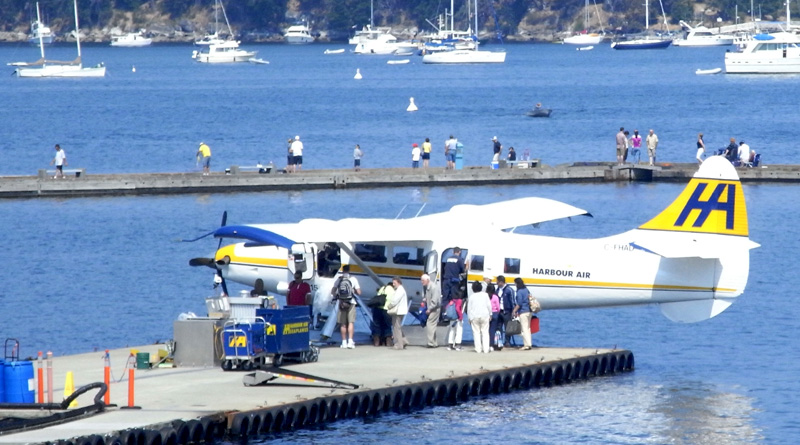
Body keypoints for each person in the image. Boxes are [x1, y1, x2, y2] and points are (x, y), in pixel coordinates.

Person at [331, 265, 361, 349]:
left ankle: (343, 342)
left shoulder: (339, 279)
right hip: (351, 303)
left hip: (342, 303)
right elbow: (359, 292)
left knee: (343, 324)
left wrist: (338, 296)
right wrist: (353, 291)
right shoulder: (353, 279)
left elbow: (333, 291)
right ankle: (350, 341)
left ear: (343, 270)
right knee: (351, 322)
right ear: (349, 270)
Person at [467, 281, 492, 353]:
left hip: (474, 316)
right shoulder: (485, 295)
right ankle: (486, 349)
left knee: (476, 333)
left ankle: (478, 349)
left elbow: (469, 309)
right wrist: (490, 314)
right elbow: (489, 306)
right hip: (484, 315)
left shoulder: (471, 297)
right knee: (485, 332)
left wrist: (469, 318)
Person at [386, 276, 409, 350]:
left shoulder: (400, 290)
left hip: (398, 311)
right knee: (398, 327)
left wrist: (389, 306)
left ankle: (398, 344)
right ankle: (404, 341)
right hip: (400, 311)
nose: (393, 284)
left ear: (398, 282)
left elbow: (394, 301)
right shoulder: (401, 289)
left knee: (396, 328)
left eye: (394, 282)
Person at [511, 277, 533, 350]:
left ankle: (527, 345)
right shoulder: (526, 290)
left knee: (524, 328)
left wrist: (514, 311)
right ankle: (528, 343)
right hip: (529, 311)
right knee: (528, 328)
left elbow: (519, 303)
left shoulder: (519, 291)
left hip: (523, 311)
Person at [369, 282, 393, 346]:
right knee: (387, 326)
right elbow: (392, 300)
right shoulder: (391, 290)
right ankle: (388, 341)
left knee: (377, 325)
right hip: (386, 309)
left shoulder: (382, 288)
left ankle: (376, 342)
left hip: (377, 309)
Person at [442, 247, 465, 312]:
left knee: (445, 297)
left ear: (453, 252)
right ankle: (452, 313)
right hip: (453, 281)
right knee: (454, 298)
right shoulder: (460, 259)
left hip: (446, 280)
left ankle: (444, 312)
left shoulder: (448, 259)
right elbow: (462, 270)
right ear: (459, 252)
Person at [421, 274, 441, 348]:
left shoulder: (433, 287)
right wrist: (425, 299)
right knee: (432, 325)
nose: (421, 282)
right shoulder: (428, 287)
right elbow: (429, 297)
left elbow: (435, 300)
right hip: (433, 308)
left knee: (430, 324)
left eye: (423, 280)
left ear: (427, 280)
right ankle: (434, 342)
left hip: (435, 308)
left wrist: (429, 309)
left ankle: (431, 343)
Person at [497, 275, 515, 348]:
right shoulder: (498, 289)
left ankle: (507, 342)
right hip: (499, 311)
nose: (497, 283)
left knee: (508, 327)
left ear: (501, 282)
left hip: (507, 311)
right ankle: (499, 341)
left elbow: (512, 300)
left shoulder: (509, 290)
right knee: (498, 327)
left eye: (497, 282)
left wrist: (513, 311)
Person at [487, 283, 501, 350]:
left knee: (486, 330)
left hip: (487, 314)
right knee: (492, 330)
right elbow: (498, 307)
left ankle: (485, 343)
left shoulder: (486, 296)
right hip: (495, 313)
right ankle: (491, 345)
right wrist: (497, 312)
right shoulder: (495, 297)